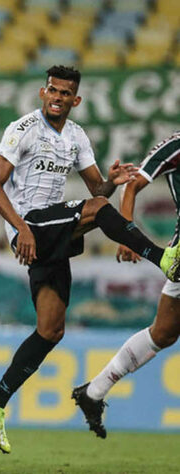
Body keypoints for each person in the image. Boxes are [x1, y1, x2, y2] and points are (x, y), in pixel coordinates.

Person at [0, 65, 180, 454]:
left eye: (65, 93)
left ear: (75, 100)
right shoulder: (22, 129)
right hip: (31, 225)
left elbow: (95, 189)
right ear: (42, 92)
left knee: (51, 329)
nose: (57, 96)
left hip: (53, 229)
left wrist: (112, 181)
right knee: (100, 209)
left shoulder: (76, 137)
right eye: (52, 90)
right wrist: (23, 229)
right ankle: (164, 258)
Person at [72, 131, 180, 438]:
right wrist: (127, 233)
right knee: (163, 332)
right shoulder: (176, 145)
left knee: (164, 332)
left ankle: (94, 391)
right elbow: (133, 184)